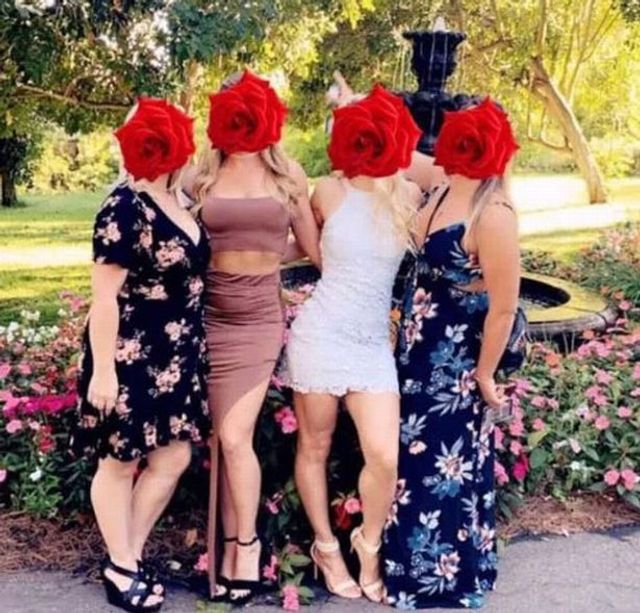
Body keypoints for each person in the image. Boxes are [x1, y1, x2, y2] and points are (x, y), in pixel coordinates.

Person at [71, 98, 211, 612]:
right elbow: (104, 298)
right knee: (119, 460)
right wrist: (103, 373)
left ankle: (124, 555)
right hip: (130, 356)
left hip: (174, 358)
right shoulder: (124, 207)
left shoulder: (177, 200)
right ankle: (122, 564)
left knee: (172, 457)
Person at [285, 84, 423, 603]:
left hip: (370, 345)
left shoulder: (406, 194)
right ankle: (326, 547)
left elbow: (449, 173)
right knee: (313, 447)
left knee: (384, 455)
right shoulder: (327, 190)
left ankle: (369, 542)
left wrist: (362, 106)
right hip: (320, 335)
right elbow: (307, 249)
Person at [189, 70, 321, 605]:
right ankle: (227, 549)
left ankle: (246, 547)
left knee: (234, 435)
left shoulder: (288, 174)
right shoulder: (201, 173)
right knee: (222, 440)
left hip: (258, 320)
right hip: (208, 316)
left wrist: (267, 253)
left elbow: (309, 246)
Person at [383, 98, 521, 609]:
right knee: (412, 458)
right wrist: (358, 109)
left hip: (456, 360)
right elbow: (400, 156)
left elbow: (503, 308)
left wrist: (484, 375)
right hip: (418, 348)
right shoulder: (443, 182)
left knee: (444, 463)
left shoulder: (494, 213)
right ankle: (407, 569)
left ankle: (442, 578)